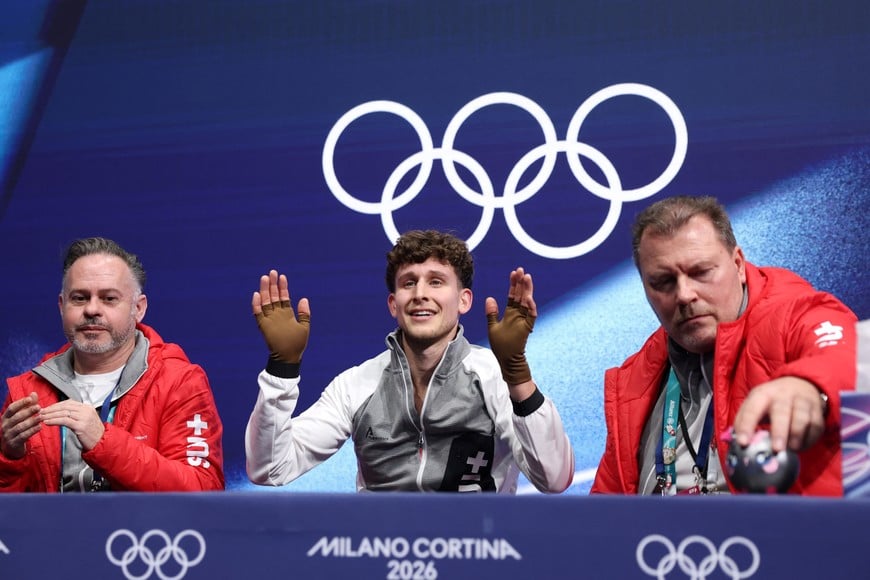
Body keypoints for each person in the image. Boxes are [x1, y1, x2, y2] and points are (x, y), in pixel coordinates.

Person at [245, 229, 574, 492]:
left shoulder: (493, 378)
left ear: (464, 300)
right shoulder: (356, 385)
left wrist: (516, 372)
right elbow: (270, 468)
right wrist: (282, 369)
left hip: (477, 548)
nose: (420, 294)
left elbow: (555, 478)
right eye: (409, 283)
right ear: (393, 304)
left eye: (436, 281)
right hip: (379, 549)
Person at [591, 195, 857, 496]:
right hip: (658, 529)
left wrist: (810, 386)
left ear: (738, 264)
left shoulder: (794, 315)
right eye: (663, 282)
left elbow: (848, 354)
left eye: (701, 272)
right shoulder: (635, 382)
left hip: (782, 527)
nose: (684, 295)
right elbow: (601, 511)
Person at [0, 237, 224, 492]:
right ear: (62, 306)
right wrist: (8, 459)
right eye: (80, 298)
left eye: (108, 298)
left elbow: (202, 491)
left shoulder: (180, 383)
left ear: (138, 308)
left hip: (142, 521)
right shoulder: (27, 392)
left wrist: (104, 442)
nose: (92, 309)